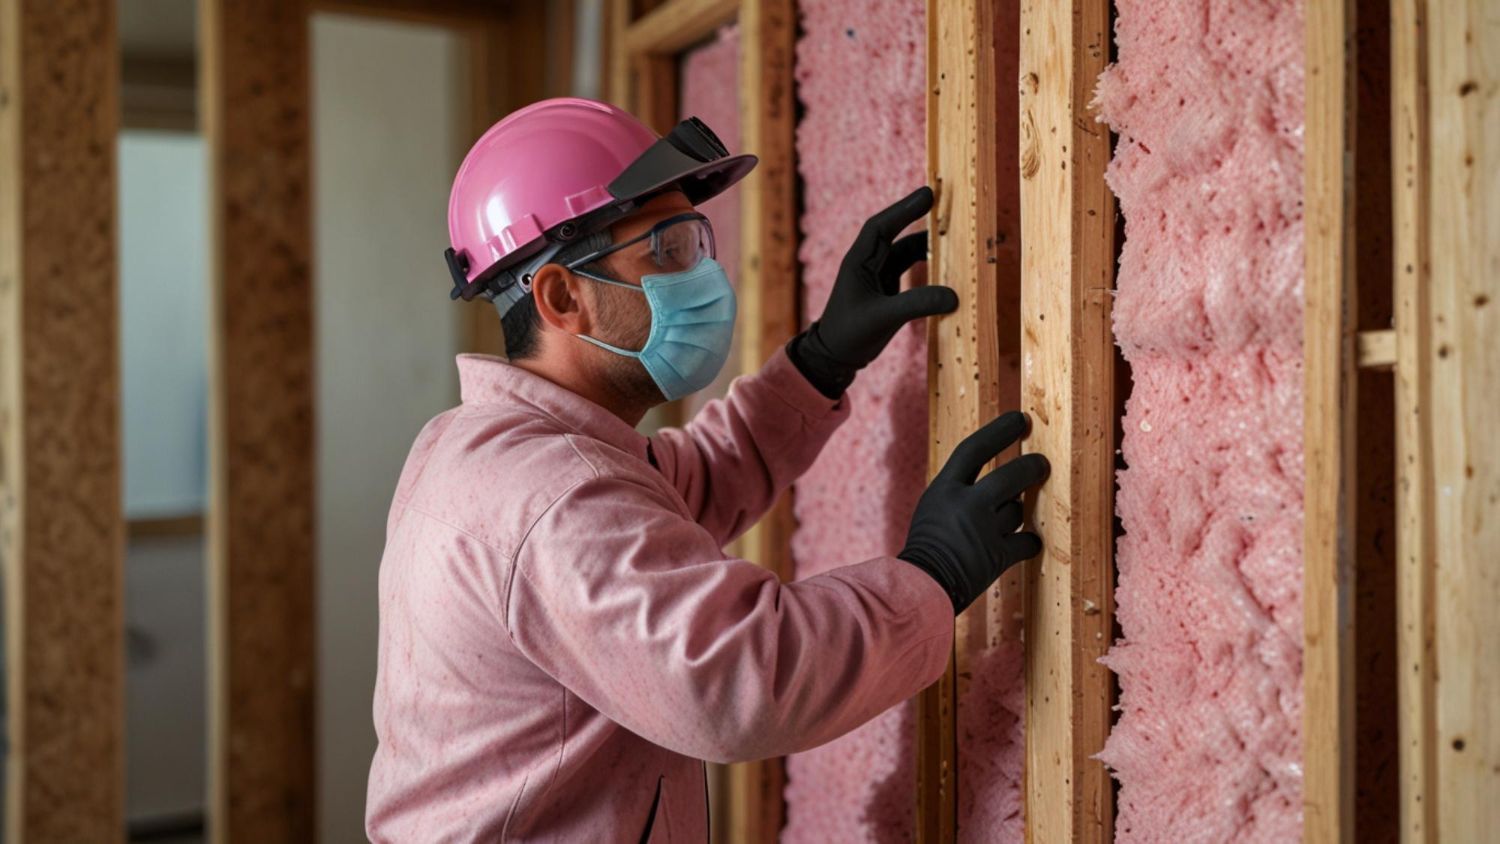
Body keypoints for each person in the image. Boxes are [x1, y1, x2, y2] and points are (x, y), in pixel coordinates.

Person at [365, 97, 1049, 842]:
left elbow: (676, 496)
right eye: (665, 252)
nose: (702, 275)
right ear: (563, 297)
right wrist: (935, 574)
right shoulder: (552, 496)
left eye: (696, 242)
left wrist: (820, 362)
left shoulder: (486, 447)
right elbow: (738, 684)